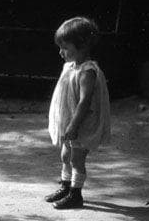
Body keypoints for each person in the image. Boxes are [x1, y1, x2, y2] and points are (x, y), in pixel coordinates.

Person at [46, 16, 111, 209]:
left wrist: (74, 124)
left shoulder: (87, 71)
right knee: (65, 155)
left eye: (65, 47)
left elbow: (85, 101)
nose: (61, 52)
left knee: (76, 158)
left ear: (82, 46)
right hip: (71, 120)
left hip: (82, 122)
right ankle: (66, 185)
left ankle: (76, 194)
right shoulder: (70, 67)